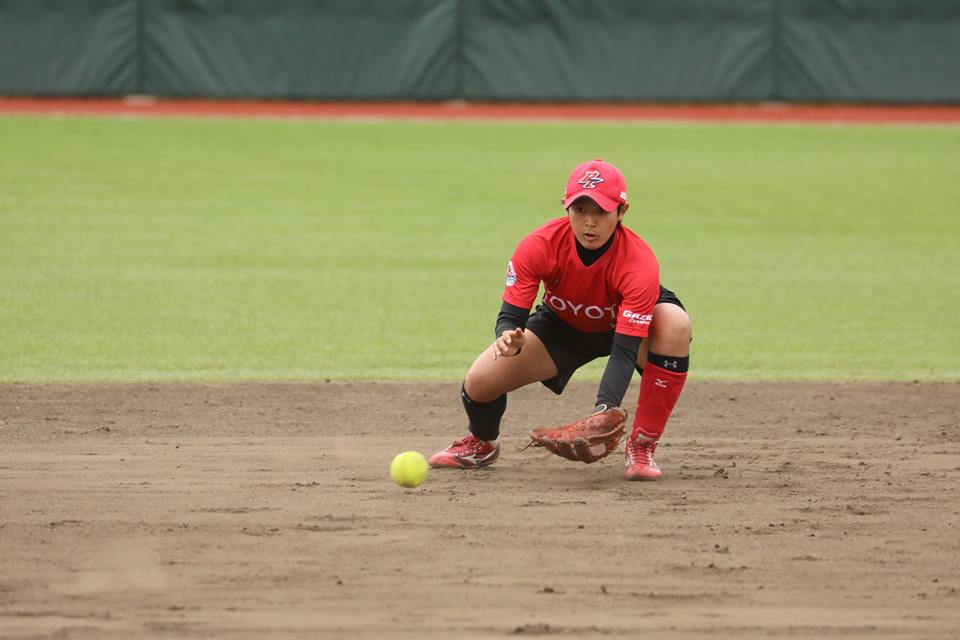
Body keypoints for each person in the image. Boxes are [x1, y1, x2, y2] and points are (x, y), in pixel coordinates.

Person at [428, 159, 691, 480]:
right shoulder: (540, 245)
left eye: (601, 212)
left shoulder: (638, 263)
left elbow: (623, 350)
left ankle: (642, 446)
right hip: (564, 324)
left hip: (626, 330)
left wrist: (604, 409)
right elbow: (510, 316)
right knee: (480, 381)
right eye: (580, 210)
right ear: (566, 208)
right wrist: (508, 335)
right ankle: (482, 443)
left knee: (674, 323)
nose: (589, 222)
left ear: (622, 212)